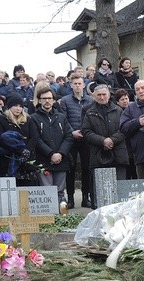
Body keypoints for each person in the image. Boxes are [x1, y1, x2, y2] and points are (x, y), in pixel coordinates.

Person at [82, 84, 129, 207]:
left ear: (109, 95)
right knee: (100, 192)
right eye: (99, 95)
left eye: (104, 94)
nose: (102, 97)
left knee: (119, 190)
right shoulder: (89, 111)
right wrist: (103, 141)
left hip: (118, 154)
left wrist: (112, 140)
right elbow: (86, 132)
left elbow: (124, 129)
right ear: (93, 96)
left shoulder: (118, 110)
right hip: (98, 155)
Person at [31, 87, 73, 210]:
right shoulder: (33, 118)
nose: (47, 101)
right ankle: (49, 216)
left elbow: (69, 136)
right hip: (43, 160)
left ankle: (61, 217)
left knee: (60, 190)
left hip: (61, 159)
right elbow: (36, 139)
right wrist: (50, 154)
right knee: (47, 191)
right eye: (44, 99)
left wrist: (60, 153)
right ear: (39, 101)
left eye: (49, 98)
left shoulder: (61, 117)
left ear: (54, 100)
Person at [59, 74, 94, 208]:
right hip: (71, 138)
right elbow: (63, 119)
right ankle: (71, 199)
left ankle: (86, 197)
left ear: (84, 85)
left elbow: (91, 118)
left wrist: (85, 132)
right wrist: (72, 132)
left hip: (86, 138)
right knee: (70, 169)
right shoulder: (65, 100)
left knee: (87, 168)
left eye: (80, 83)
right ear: (71, 85)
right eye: (75, 84)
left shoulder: (90, 100)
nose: (78, 86)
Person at [0, 94, 39, 186]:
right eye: (15, 106)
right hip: (8, 159)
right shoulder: (1, 119)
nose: (18, 109)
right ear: (9, 106)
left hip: (27, 161)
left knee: (26, 192)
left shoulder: (28, 119)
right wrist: (20, 150)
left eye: (20, 106)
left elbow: (34, 137)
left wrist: (27, 151)